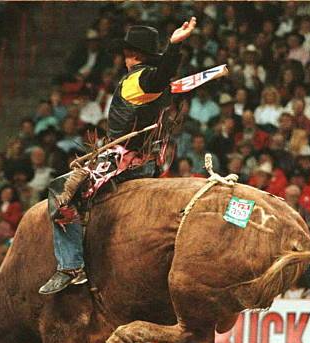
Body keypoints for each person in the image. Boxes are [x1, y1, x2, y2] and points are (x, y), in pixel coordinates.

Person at [40, 18, 197, 295]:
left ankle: (70, 266)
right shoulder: (158, 86)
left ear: (130, 54)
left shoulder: (139, 80)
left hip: (125, 163)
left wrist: (173, 48)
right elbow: (162, 78)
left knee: (59, 189)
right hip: (150, 162)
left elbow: (158, 77)